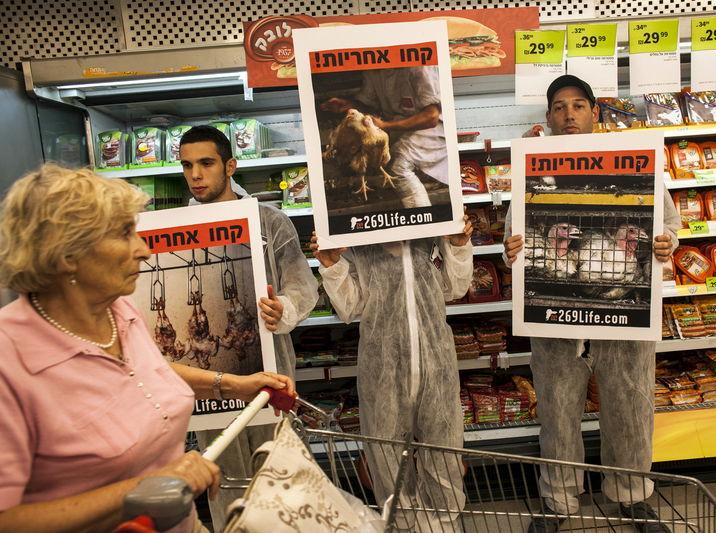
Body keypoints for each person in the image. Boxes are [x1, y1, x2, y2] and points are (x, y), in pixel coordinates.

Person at [0, 164, 295, 533]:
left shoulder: (116, 309)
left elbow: (141, 374)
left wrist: (233, 384)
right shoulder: (9, 360)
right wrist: (143, 489)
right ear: (67, 254)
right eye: (125, 234)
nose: (143, 250)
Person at [503, 75, 682, 533]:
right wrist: (513, 249)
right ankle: (558, 500)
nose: (569, 115)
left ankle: (633, 495)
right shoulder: (531, 167)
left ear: (594, 114)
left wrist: (665, 245)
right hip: (556, 313)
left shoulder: (634, 160)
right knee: (557, 409)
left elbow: (668, 223)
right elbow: (514, 233)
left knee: (629, 404)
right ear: (548, 117)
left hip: (623, 312)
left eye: (578, 106)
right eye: (559, 107)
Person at [179, 125, 318, 529]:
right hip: (210, 378)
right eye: (187, 165)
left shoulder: (269, 222)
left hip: (269, 371)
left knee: (280, 472)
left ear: (230, 165)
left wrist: (284, 309)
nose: (195, 175)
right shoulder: (175, 228)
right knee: (225, 478)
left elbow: (300, 284)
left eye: (206, 163)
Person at [312, 216, 473, 533]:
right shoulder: (358, 239)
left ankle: (443, 526)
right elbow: (350, 306)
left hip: (436, 364)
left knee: (445, 455)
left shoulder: (428, 228)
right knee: (386, 458)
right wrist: (331, 263)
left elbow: (455, 287)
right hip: (381, 368)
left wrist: (457, 244)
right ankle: (400, 525)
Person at [320, 66, 447, 208]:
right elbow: (369, 105)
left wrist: (386, 125)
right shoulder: (373, 68)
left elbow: (431, 117)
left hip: (431, 131)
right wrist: (349, 105)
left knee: (398, 165)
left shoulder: (420, 67)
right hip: (395, 129)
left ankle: (423, 216)